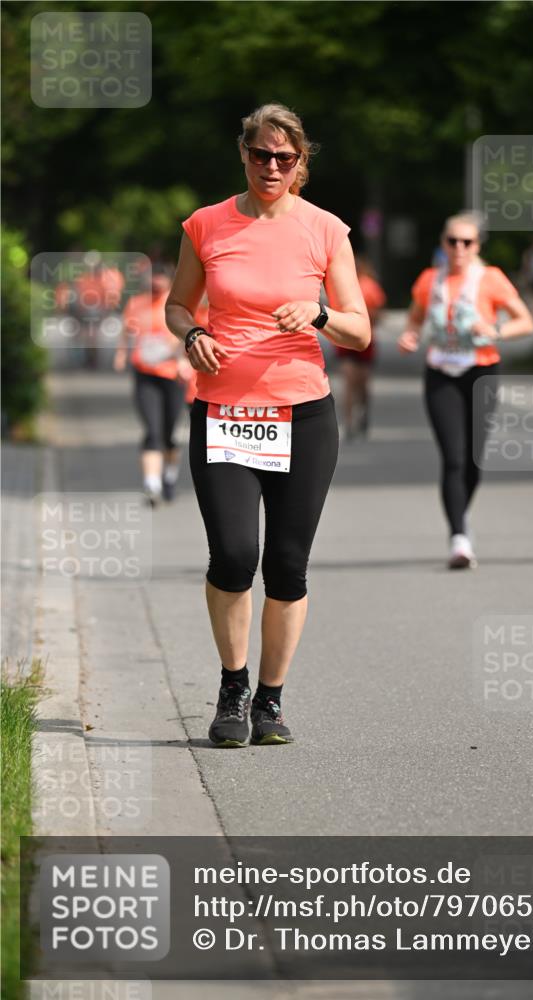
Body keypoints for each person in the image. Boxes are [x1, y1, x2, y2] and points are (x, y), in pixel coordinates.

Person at [165, 103, 370, 747]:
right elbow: (176, 305)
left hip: (302, 414)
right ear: (244, 155)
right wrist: (194, 332)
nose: (272, 167)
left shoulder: (326, 231)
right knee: (232, 554)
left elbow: (360, 331)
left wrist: (317, 312)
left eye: (285, 157)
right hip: (225, 411)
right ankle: (233, 685)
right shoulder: (206, 226)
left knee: (286, 563)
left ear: (301, 161)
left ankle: (271, 703)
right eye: (261, 155)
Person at [398, 213, 533, 569]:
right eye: (452, 241)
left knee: (473, 460)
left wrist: (495, 330)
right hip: (441, 372)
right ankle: (459, 537)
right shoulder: (430, 280)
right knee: (454, 457)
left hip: (481, 372)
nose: (459, 248)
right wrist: (411, 335)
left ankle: (461, 516)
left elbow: (526, 320)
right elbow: (415, 317)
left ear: (477, 246)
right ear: (443, 243)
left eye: (467, 242)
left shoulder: (490, 279)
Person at [113, 263, 188, 504]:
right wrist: (122, 353)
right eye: (152, 286)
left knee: (168, 434)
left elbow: (189, 334)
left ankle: (169, 475)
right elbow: (127, 329)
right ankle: (151, 485)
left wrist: (183, 360)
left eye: (160, 287)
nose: (155, 291)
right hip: (145, 373)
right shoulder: (137, 303)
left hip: (172, 376)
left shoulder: (178, 304)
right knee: (152, 431)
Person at [335, 255, 386, 439]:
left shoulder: (369, 286)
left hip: (364, 339)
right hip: (344, 339)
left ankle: (364, 412)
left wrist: (367, 318)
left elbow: (379, 313)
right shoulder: (339, 283)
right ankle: (348, 422)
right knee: (348, 381)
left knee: (363, 383)